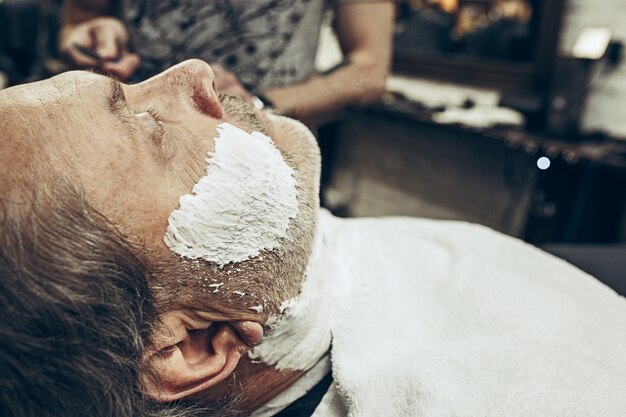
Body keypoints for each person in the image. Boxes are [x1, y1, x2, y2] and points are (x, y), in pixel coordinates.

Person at [1, 60, 625, 417]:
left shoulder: (265, 281)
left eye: (127, 86)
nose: (193, 73)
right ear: (193, 346)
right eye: (149, 127)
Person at [57, 0, 394, 125]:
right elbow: (79, 20)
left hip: (259, 160)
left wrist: (258, 107)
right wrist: (97, 38)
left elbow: (368, 71)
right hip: (134, 141)